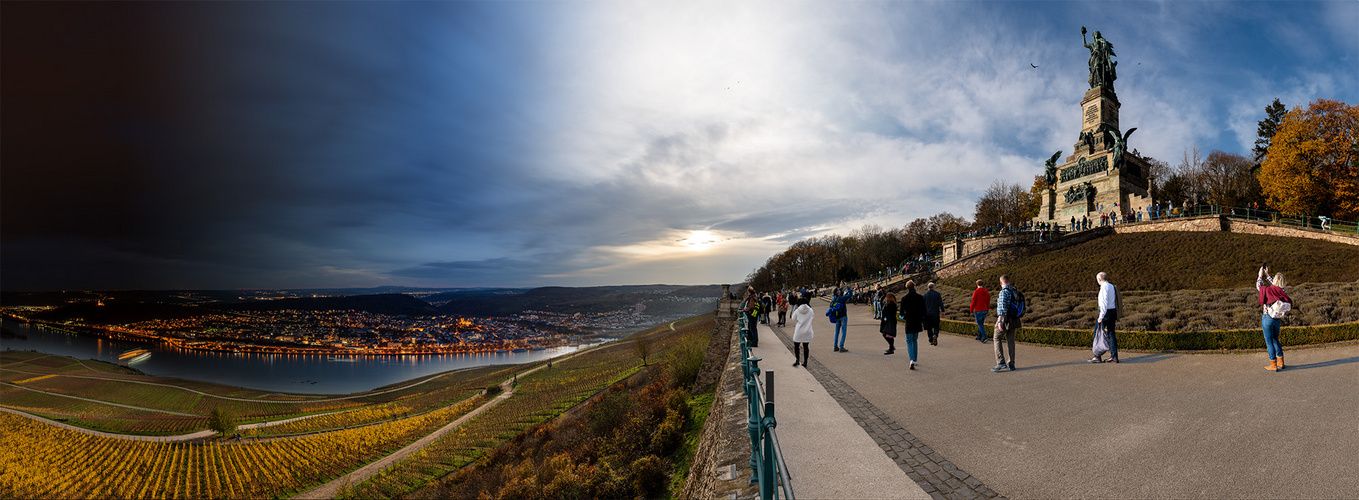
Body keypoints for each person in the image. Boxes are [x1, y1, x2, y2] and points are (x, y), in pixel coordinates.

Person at [1257, 265, 1293, 371]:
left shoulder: (1267, 291)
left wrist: (1260, 275)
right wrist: (1267, 275)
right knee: (1275, 339)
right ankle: (1281, 362)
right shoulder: (1282, 291)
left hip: (1267, 318)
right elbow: (1276, 284)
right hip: (1277, 318)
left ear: (1275, 281)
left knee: (1269, 342)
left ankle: (1273, 365)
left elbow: (1259, 285)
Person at [992, 275, 1021, 372]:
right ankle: (1011, 363)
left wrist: (1000, 321)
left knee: (997, 338)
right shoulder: (1014, 291)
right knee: (1010, 341)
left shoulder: (1003, 292)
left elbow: (1002, 307)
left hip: (1005, 319)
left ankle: (1001, 362)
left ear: (1001, 283)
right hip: (1014, 319)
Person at [1089, 272, 1119, 363]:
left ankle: (1097, 356)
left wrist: (1101, 316)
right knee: (1111, 333)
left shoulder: (1104, 287)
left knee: (1097, 333)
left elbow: (1104, 302)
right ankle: (1114, 357)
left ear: (1099, 279)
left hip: (1105, 312)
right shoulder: (1111, 286)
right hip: (1112, 311)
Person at [899, 281, 926, 370]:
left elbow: (901, 313)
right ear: (914, 286)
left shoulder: (904, 298)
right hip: (917, 321)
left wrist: (904, 317)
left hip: (909, 322)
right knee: (915, 341)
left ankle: (911, 359)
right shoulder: (920, 297)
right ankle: (915, 359)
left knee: (909, 341)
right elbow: (924, 311)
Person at [791, 294, 815, 368]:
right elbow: (812, 317)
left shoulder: (797, 311)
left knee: (796, 346)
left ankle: (797, 360)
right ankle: (805, 362)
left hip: (799, 331)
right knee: (805, 347)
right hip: (807, 330)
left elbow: (793, 319)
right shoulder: (810, 310)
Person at [831, 286, 853, 352]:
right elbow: (850, 294)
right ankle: (841, 346)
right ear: (837, 292)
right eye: (838, 290)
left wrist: (840, 288)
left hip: (837, 316)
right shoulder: (841, 298)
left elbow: (837, 293)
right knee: (843, 332)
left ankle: (835, 346)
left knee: (836, 332)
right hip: (843, 316)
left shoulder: (833, 298)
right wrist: (848, 288)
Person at [923, 282, 944, 346]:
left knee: (929, 328)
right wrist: (943, 311)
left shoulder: (925, 295)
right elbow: (941, 303)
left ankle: (931, 339)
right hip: (935, 313)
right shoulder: (937, 294)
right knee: (936, 326)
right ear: (933, 287)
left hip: (927, 314)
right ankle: (935, 334)